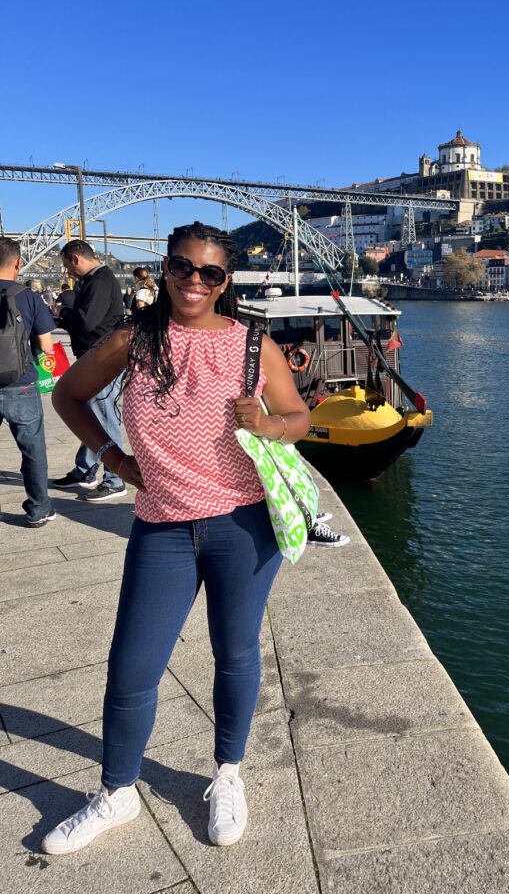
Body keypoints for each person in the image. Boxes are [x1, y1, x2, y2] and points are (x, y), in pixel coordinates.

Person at [42, 221, 310, 855]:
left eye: (210, 272)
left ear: (226, 282)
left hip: (244, 525)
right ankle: (117, 792)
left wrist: (271, 424)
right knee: (132, 667)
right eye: (183, 268)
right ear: (166, 270)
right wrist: (113, 457)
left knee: (236, 655)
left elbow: (300, 416)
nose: (195, 281)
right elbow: (70, 396)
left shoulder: (253, 345)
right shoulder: (136, 340)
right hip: (162, 522)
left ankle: (227, 775)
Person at [53, 240, 127, 500]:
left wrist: (63, 313)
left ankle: (116, 478)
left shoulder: (99, 281)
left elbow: (87, 322)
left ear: (76, 258)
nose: (68, 273)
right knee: (92, 414)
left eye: (67, 267)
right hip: (95, 358)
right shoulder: (96, 280)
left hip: (104, 360)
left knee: (105, 418)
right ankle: (85, 469)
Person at [0, 238, 57, 527]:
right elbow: (47, 347)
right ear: (18, 262)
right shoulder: (29, 297)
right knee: (32, 449)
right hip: (20, 384)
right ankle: (38, 509)